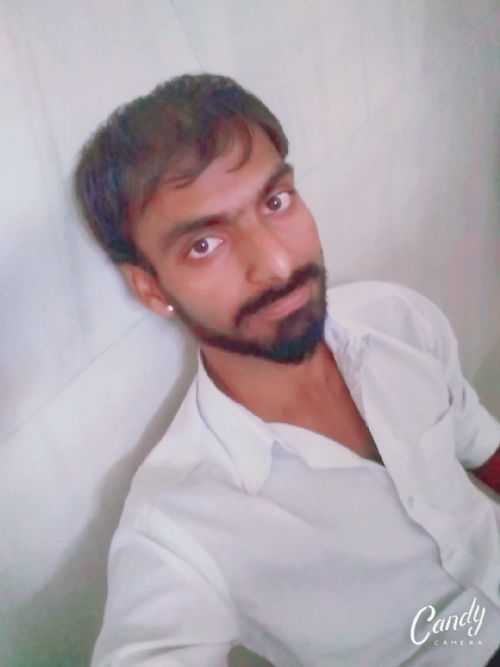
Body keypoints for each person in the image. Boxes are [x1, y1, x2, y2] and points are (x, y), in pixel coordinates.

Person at [74, 74, 500, 666]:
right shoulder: (177, 529)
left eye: (275, 202)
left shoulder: (398, 319)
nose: (276, 263)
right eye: (204, 244)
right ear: (151, 289)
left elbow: (480, 444)